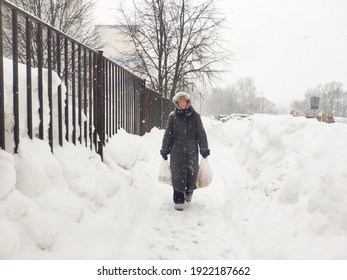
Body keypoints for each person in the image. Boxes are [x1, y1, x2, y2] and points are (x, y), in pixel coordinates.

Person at [160, 92, 210, 211]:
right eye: (180, 102)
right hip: (176, 151)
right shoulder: (173, 117)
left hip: (192, 150)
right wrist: (165, 148)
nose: (182, 104)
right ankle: (178, 199)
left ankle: (189, 191)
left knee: (191, 173)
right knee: (177, 175)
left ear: (188, 102)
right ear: (177, 103)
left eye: (184, 102)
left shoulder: (195, 116)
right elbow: (168, 134)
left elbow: (201, 133)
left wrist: (204, 147)